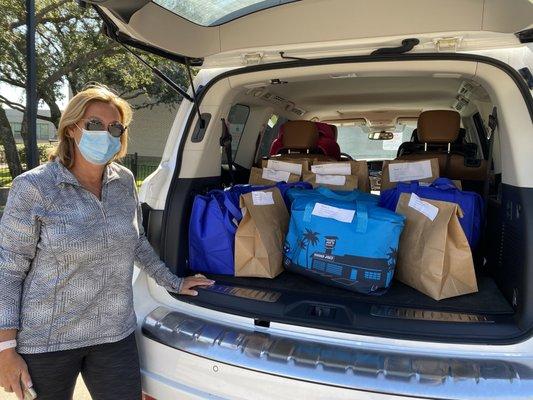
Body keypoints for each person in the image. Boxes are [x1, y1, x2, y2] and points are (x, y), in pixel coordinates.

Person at [0, 85, 214, 400]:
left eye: (114, 127)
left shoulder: (124, 181)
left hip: (114, 334)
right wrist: (6, 348)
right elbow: (9, 270)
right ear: (72, 129)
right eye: (94, 124)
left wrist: (174, 281)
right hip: (47, 341)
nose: (106, 133)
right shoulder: (34, 187)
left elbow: (136, 242)